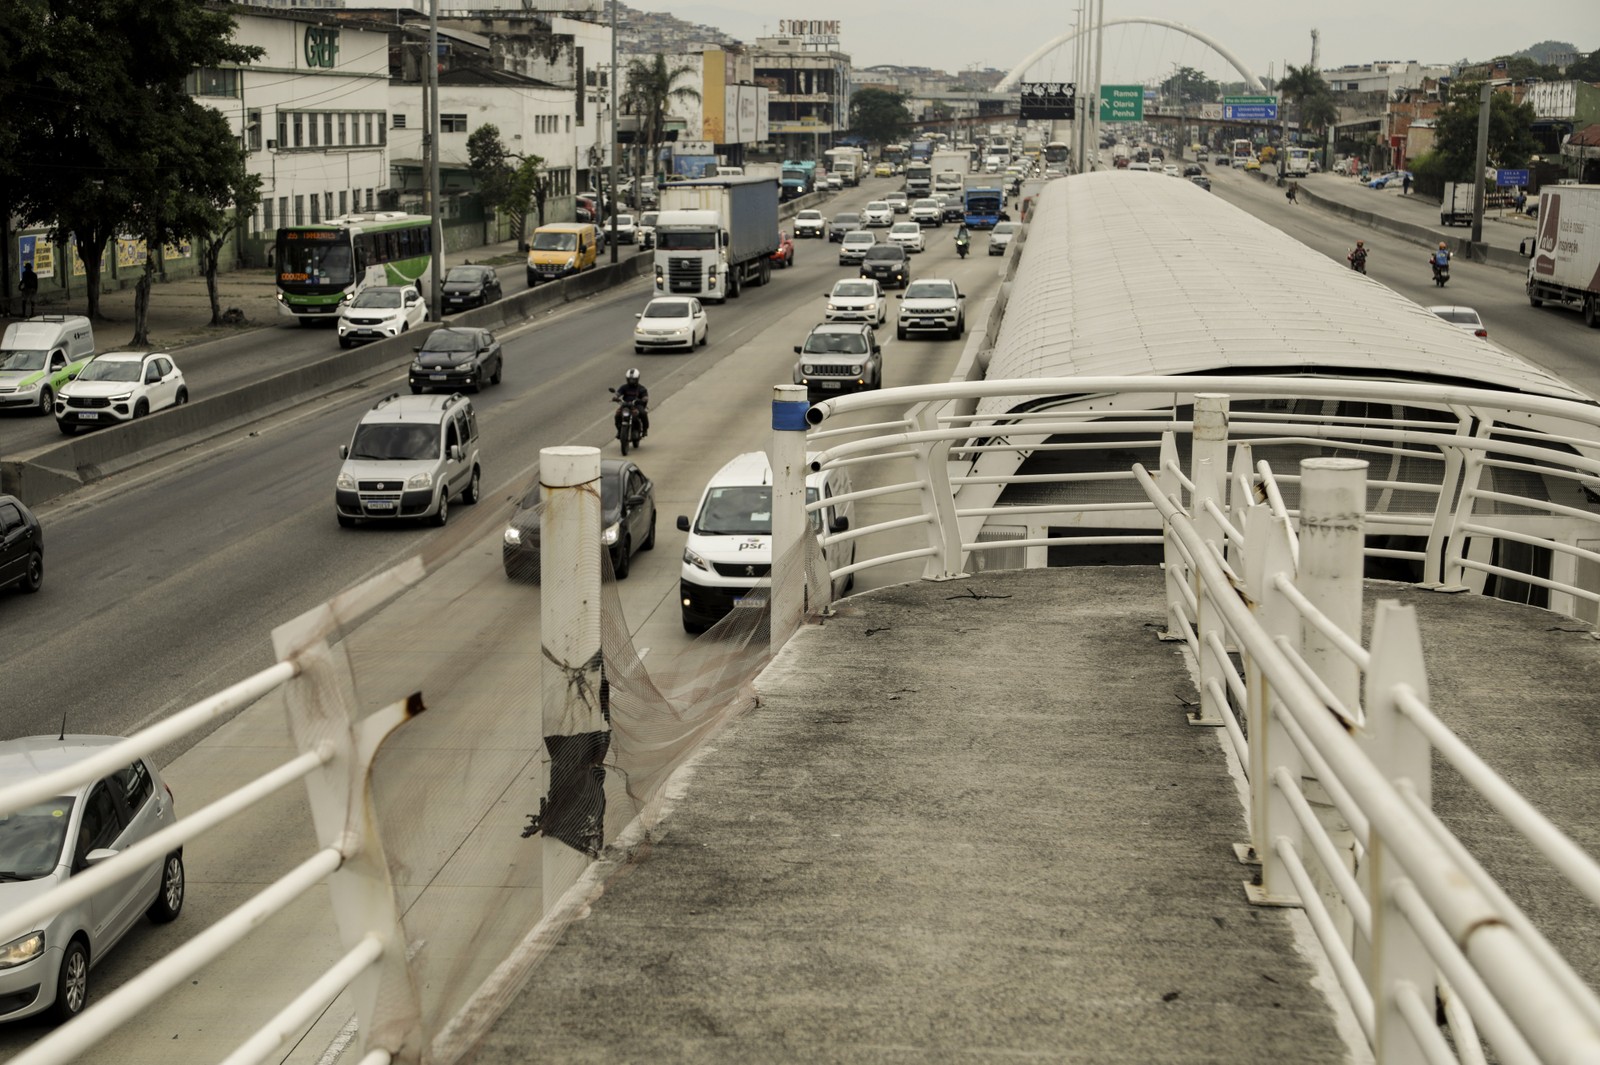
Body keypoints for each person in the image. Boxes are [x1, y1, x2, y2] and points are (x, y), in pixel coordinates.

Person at [615, 367, 649, 436]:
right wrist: (615, 397)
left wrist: (643, 399)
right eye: (629, 379)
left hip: (637, 405)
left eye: (633, 380)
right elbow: (618, 393)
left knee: (643, 413)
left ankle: (645, 430)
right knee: (617, 414)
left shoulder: (641, 388)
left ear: (637, 379)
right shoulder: (624, 387)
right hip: (625, 404)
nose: (631, 381)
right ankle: (619, 430)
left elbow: (645, 396)